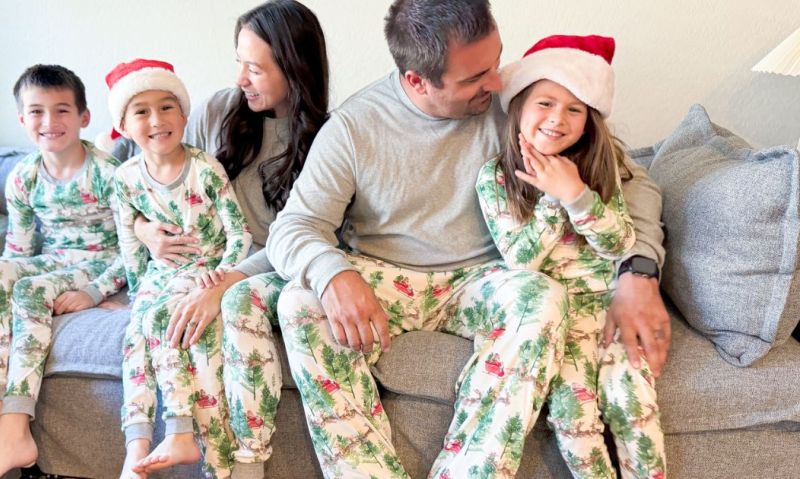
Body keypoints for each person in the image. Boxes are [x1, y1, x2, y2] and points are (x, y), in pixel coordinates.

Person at [264, 1, 668, 478]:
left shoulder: (522, 104)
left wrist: (639, 272)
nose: (496, 83)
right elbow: (293, 227)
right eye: (476, 76)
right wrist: (333, 274)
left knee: (541, 295)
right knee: (300, 302)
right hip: (389, 278)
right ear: (418, 80)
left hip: (484, 278)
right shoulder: (354, 128)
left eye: (496, 63)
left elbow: (630, 179)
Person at [131, 2, 328, 478]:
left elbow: (303, 239)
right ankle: (147, 445)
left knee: (216, 318)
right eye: (238, 61)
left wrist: (225, 283)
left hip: (270, 269)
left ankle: (237, 464)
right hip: (205, 260)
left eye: (255, 68)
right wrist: (144, 230)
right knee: (163, 312)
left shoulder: (328, 138)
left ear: (294, 67)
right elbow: (152, 176)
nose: (241, 77)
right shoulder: (219, 110)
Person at [476, 34, 666, 478]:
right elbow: (521, 261)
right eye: (545, 103)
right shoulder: (495, 178)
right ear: (519, 106)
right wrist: (552, 198)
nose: (557, 118)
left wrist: (578, 196)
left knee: (631, 400)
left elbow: (618, 244)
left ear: (588, 121)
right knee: (573, 415)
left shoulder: (600, 170)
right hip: (556, 323)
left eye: (574, 109)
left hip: (606, 312)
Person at [0, 64, 126, 479]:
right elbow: (18, 250)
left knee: (29, 293)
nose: (49, 122)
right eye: (36, 112)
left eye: (62, 110)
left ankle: (16, 427)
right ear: (22, 119)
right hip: (55, 260)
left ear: (84, 117)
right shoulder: (23, 177)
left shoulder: (109, 174)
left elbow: (132, 252)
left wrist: (96, 293)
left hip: (98, 262)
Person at [103, 58, 252, 479]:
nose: (157, 120)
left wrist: (222, 273)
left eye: (167, 107)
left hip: (206, 266)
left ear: (184, 115)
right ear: (125, 126)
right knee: (136, 332)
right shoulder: (126, 178)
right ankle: (135, 447)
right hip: (159, 274)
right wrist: (133, 293)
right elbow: (130, 242)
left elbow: (238, 233)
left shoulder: (205, 169)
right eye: (142, 111)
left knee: (164, 320)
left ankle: (182, 429)